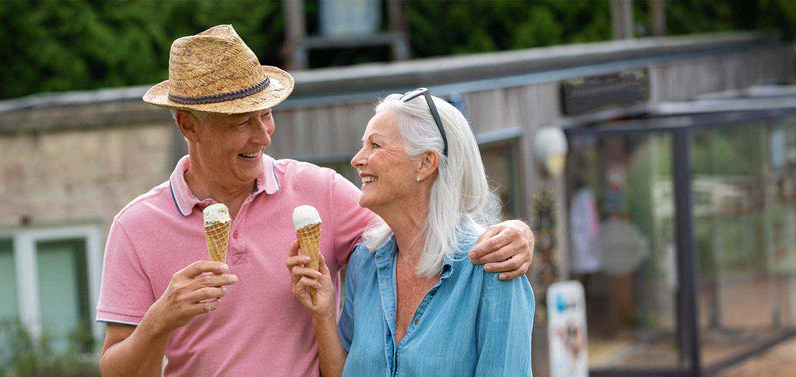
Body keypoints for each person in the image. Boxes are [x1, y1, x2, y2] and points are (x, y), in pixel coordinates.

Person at [96, 25, 535, 377]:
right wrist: (160, 320)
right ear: (188, 125)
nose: (263, 134)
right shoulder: (136, 227)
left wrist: (517, 232)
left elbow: (418, 220)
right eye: (241, 123)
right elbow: (116, 370)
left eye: (266, 114)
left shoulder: (319, 191)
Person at [287, 89, 535, 376]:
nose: (357, 159)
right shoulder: (364, 263)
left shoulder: (493, 267)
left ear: (426, 162)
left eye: (375, 145)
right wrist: (323, 314)